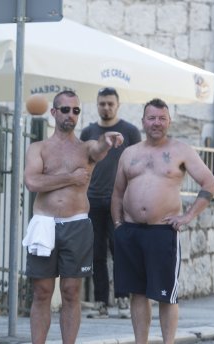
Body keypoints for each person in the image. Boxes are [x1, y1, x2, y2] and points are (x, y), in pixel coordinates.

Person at [12, 90, 124, 344]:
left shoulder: (85, 148)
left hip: (76, 223)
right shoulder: (39, 148)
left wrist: (108, 141)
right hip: (45, 224)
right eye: (65, 110)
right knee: (41, 291)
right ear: (53, 113)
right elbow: (32, 182)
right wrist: (69, 178)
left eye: (75, 111)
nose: (70, 115)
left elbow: (98, 149)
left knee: (72, 291)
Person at [111, 98, 214, 344]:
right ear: (143, 121)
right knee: (137, 292)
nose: (156, 122)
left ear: (169, 121)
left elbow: (209, 183)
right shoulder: (130, 153)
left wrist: (187, 216)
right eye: (151, 118)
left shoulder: (181, 150)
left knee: (166, 294)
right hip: (131, 232)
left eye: (161, 118)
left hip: (162, 231)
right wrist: (119, 225)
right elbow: (118, 192)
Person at [79, 87, 141, 319]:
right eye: (102, 103)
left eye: (110, 104)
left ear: (118, 105)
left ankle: (123, 299)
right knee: (96, 254)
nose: (106, 107)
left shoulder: (130, 132)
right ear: (97, 105)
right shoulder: (88, 132)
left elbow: (138, 164)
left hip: (121, 201)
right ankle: (101, 303)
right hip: (92, 200)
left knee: (120, 251)